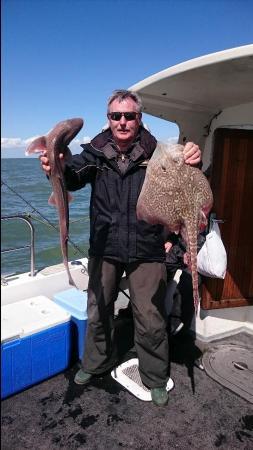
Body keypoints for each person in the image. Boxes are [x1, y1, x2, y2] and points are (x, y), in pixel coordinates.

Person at [40, 89, 201, 406]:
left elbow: (183, 170)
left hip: (147, 248)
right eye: (116, 116)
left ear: (139, 118)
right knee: (98, 310)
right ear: (108, 119)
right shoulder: (95, 153)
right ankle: (95, 363)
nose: (123, 122)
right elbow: (72, 177)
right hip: (105, 246)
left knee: (151, 317)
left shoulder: (157, 153)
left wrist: (192, 154)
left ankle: (154, 376)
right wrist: (53, 168)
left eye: (130, 115)